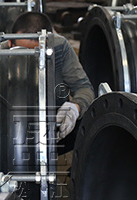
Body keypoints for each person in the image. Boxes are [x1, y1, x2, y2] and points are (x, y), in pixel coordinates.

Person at [9, 11, 95, 153]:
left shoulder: (60, 47)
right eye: (23, 51)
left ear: (48, 43)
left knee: (91, 126)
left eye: (37, 53)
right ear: (10, 43)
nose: (30, 59)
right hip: (13, 129)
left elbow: (83, 87)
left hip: (55, 125)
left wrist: (75, 108)